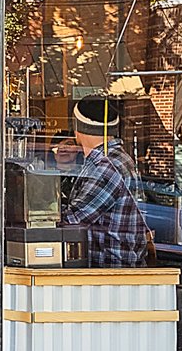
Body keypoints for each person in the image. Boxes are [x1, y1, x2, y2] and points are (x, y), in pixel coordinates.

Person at [62, 97, 152, 268]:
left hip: (110, 274)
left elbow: (74, 220)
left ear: (78, 128)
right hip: (117, 272)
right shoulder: (114, 159)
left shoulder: (106, 166)